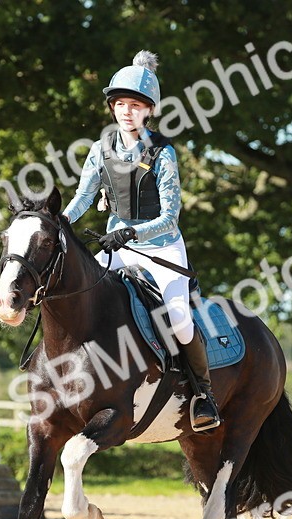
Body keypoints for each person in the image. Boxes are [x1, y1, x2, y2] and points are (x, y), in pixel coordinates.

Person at [63, 51, 221, 431]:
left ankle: (204, 395)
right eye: (120, 104)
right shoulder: (100, 150)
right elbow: (84, 196)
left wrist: (132, 232)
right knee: (82, 296)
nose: (126, 112)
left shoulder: (163, 153)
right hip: (118, 246)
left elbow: (170, 216)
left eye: (135, 106)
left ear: (149, 110)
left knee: (180, 321)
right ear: (112, 107)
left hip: (162, 247)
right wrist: (59, 222)